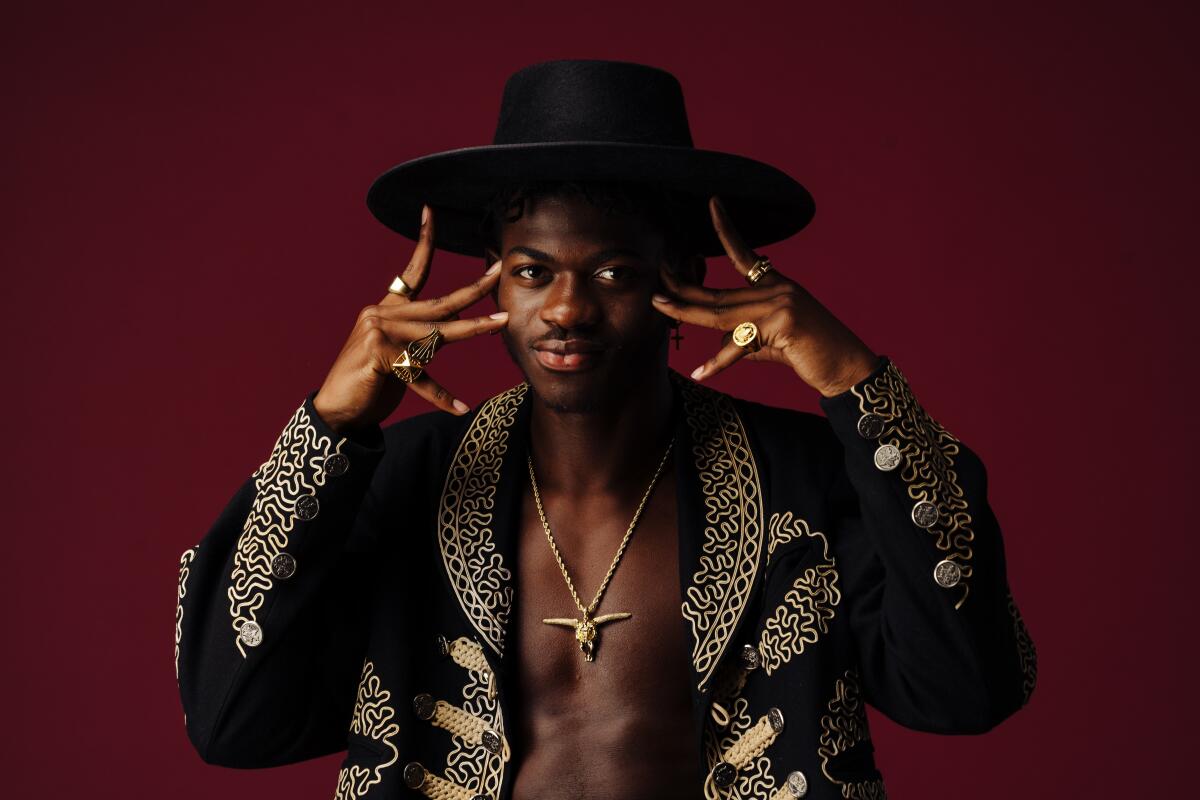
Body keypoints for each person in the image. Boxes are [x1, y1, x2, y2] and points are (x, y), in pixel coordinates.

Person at [175, 59, 1036, 800]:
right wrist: (327, 428)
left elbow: (966, 691)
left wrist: (858, 383)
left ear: (688, 283)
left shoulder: (806, 478)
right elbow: (233, 722)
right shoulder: (404, 478)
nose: (567, 309)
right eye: (531, 271)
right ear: (493, 288)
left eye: (615, 271)